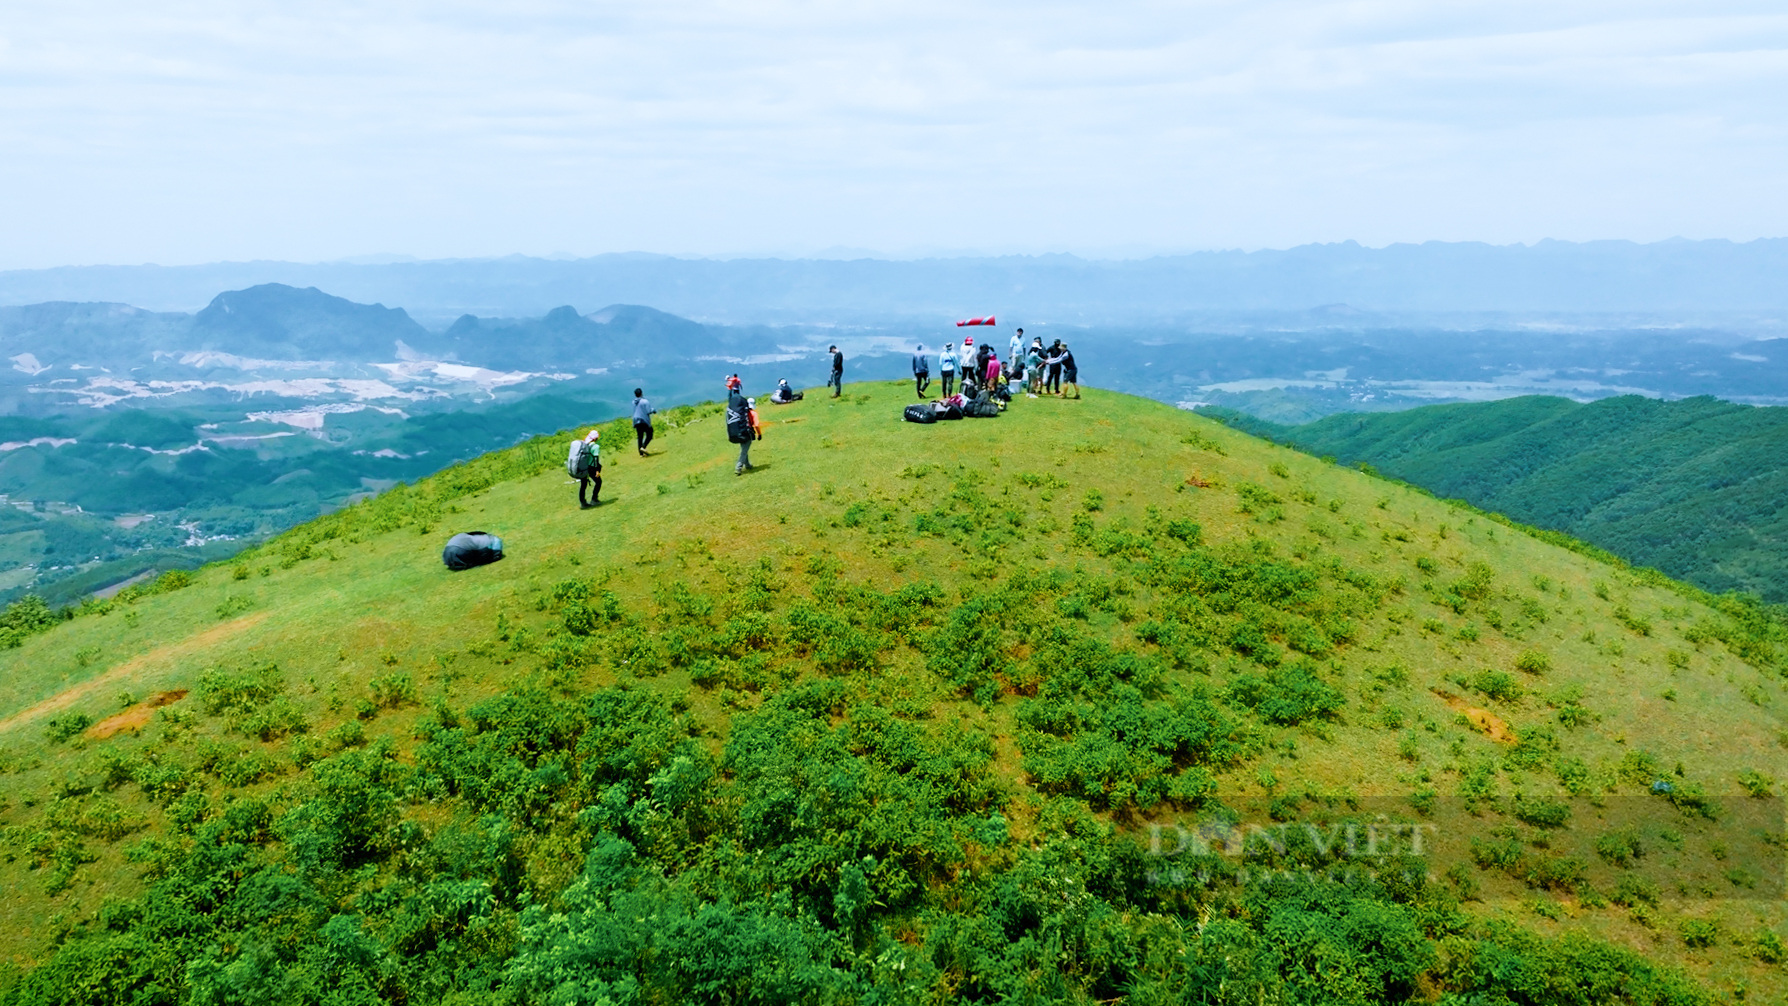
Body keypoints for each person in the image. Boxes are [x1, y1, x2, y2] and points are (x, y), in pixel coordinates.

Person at [726, 379, 753, 474]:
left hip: (733, 432)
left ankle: (748, 465)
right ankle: (739, 466)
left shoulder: (731, 401)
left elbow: (729, 396)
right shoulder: (743, 400)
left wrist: (729, 388)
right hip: (742, 431)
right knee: (746, 445)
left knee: (743, 447)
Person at [574, 429, 602, 508]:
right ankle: (594, 499)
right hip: (592, 467)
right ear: (595, 438)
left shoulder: (585, 445)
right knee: (598, 482)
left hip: (584, 467)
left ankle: (583, 502)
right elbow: (595, 459)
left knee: (583, 485)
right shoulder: (595, 446)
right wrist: (597, 470)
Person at [631, 388, 657, 456]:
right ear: (641, 393)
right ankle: (643, 447)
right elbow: (648, 411)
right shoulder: (645, 401)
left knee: (640, 436)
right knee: (650, 434)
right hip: (643, 420)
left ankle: (641, 454)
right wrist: (653, 410)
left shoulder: (634, 402)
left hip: (636, 420)